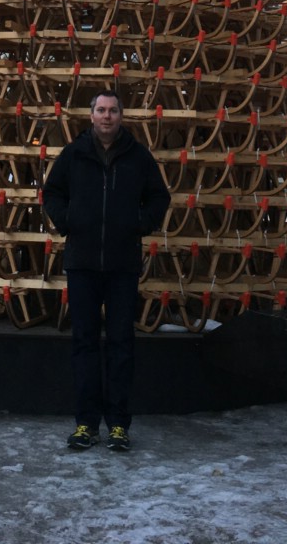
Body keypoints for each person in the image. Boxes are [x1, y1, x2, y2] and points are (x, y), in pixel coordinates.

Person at [42, 90, 170, 452]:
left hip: (122, 265)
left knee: (120, 344)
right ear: (91, 115)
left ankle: (118, 424)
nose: (107, 116)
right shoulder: (74, 154)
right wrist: (68, 220)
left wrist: (139, 224)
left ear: (121, 116)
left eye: (113, 110)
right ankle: (86, 423)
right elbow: (52, 192)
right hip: (82, 263)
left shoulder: (138, 156)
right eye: (101, 110)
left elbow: (159, 197)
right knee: (84, 343)